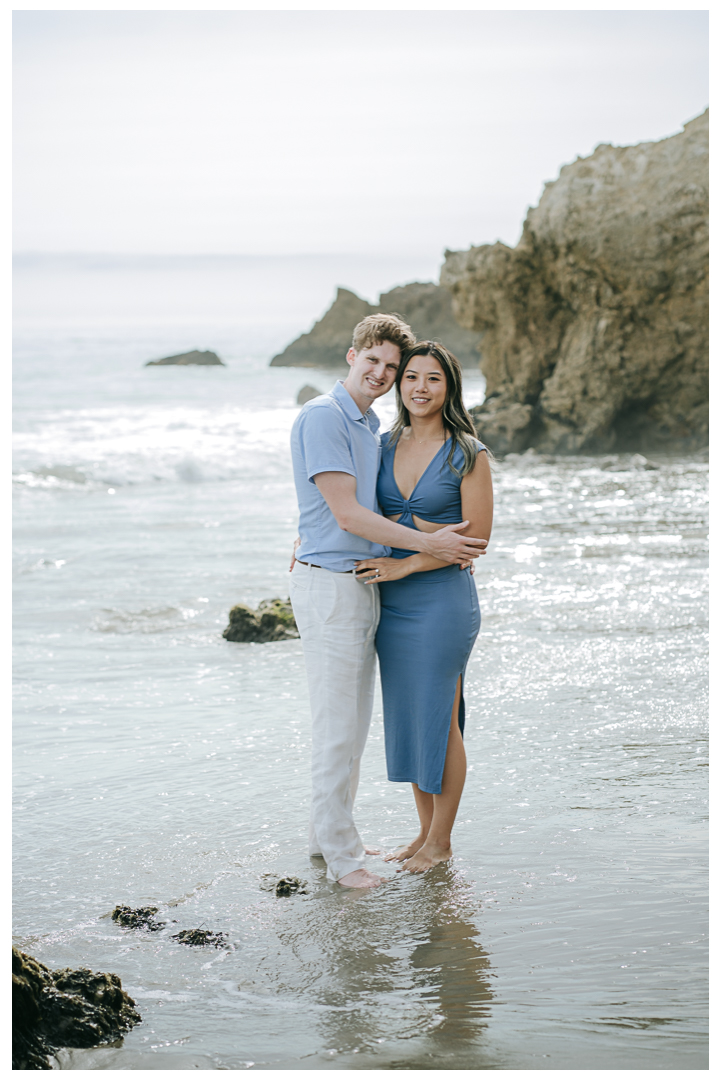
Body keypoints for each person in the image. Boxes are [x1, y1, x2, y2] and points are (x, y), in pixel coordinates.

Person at [289, 316, 489, 889]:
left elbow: (452, 533)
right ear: (352, 357)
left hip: (408, 593)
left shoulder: (404, 436)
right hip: (354, 586)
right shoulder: (346, 426)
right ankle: (350, 847)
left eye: (400, 370)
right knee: (361, 726)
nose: (398, 380)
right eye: (378, 365)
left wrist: (426, 550)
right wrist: (309, 537)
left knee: (412, 722)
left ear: (447, 387)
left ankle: (419, 840)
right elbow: (346, 511)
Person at [354, 341, 493, 873]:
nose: (419, 387)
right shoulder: (381, 444)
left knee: (441, 719)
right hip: (391, 604)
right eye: (411, 376)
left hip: (442, 602)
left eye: (432, 378)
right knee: (411, 719)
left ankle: (442, 842)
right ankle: (422, 831)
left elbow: (476, 538)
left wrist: (408, 564)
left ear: (449, 387)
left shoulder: (468, 453)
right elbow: (355, 512)